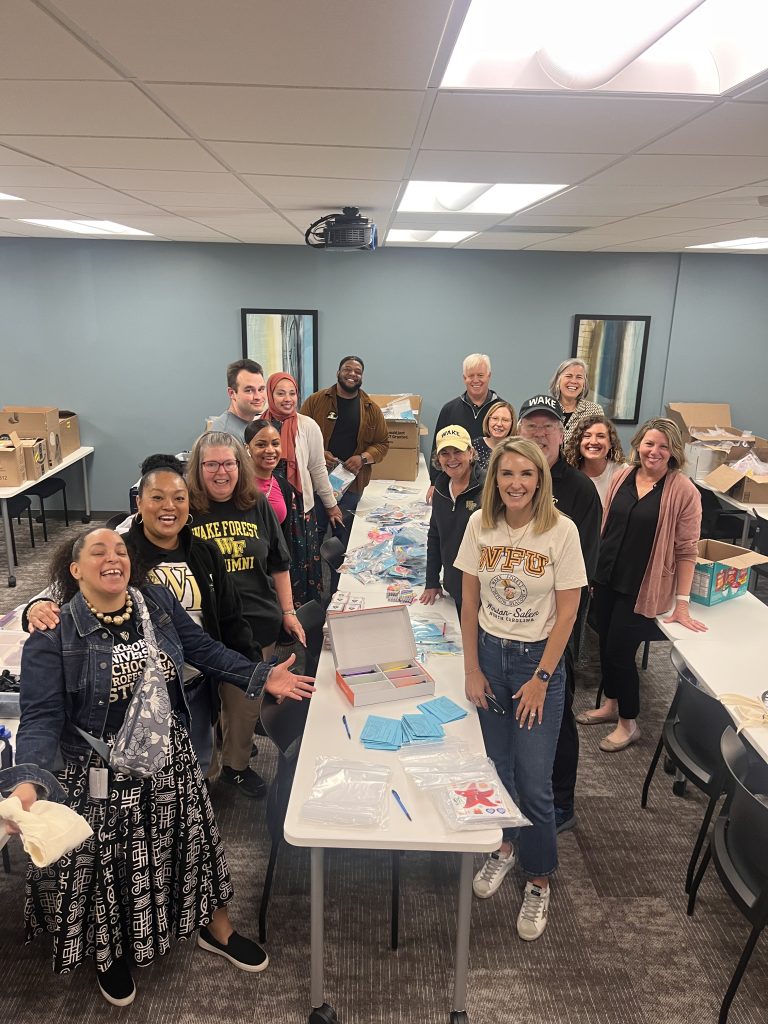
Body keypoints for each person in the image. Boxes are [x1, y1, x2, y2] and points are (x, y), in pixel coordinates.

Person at [0, 527, 314, 1005]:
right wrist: (28, 784)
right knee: (109, 868)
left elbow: (203, 650)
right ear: (75, 568)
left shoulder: (156, 602)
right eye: (98, 551)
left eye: (120, 550)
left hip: (170, 761)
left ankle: (217, 930)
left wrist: (260, 674)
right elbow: (41, 718)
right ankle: (109, 953)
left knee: (195, 848)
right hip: (101, 776)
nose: (113, 558)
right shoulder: (54, 635)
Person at [24, 465, 255, 777]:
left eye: (179, 498)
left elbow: (226, 619)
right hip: (130, 694)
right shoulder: (119, 549)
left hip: (194, 682)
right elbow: (61, 586)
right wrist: (35, 607)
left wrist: (253, 670)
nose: (169, 506)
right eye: (157, 497)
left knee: (192, 765)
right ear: (139, 503)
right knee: (130, 775)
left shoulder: (203, 552)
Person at [454, 438, 586, 940]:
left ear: (540, 479)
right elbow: (469, 604)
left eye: (526, 474)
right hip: (490, 656)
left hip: (537, 664)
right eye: (507, 473)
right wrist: (472, 667)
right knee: (497, 767)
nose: (516, 483)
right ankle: (505, 847)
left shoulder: (561, 531)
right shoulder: (479, 525)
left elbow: (567, 613)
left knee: (533, 780)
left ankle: (539, 876)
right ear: (495, 479)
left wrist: (542, 679)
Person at [186, 431, 305, 797]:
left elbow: (279, 563)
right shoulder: (185, 508)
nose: (221, 472)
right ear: (198, 468)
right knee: (200, 707)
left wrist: (288, 611)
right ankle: (203, 773)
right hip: (200, 628)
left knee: (244, 706)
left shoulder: (256, 504)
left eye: (229, 463)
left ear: (241, 465)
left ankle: (235, 767)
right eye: (211, 464)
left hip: (255, 622)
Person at [576, 417, 706, 751]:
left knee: (619, 654)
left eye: (663, 446)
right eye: (649, 443)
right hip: (606, 577)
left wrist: (682, 602)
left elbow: (687, 550)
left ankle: (628, 723)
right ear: (638, 445)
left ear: (674, 451)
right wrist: (592, 572)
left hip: (641, 586)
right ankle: (611, 704)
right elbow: (606, 526)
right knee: (605, 645)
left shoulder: (683, 490)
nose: (654, 451)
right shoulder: (623, 476)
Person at [517, 395, 602, 834]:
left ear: (561, 433)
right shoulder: (511, 479)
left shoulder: (580, 490)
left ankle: (562, 802)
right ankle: (521, 789)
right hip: (511, 622)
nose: (540, 434)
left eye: (548, 427)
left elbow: (580, 572)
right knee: (515, 708)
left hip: (555, 626)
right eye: (532, 426)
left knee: (556, 715)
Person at [299, 355, 389, 538]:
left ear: (361, 377)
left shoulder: (371, 409)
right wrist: (318, 454)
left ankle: (340, 558)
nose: (352, 374)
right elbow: (298, 434)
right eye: (347, 369)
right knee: (313, 533)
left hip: (351, 485)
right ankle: (314, 558)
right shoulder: (316, 401)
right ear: (338, 373)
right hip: (316, 481)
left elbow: (382, 444)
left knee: (345, 534)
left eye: (358, 372)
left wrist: (362, 458)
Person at [244, 417, 325, 606]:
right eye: (261, 444)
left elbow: (285, 537)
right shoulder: (238, 487)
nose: (270, 450)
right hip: (248, 572)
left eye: (275, 444)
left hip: (276, 569)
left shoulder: (283, 486)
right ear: (247, 448)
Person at [420, 425, 484, 613]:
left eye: (458, 451)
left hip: (483, 594)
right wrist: (432, 581)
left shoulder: (488, 489)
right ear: (438, 459)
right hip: (453, 587)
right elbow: (435, 535)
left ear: (470, 452)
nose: (451, 459)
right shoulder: (441, 487)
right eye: (445, 453)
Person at [428, 353, 503, 496]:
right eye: (471, 376)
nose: (475, 380)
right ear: (464, 378)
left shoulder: (502, 410)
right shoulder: (449, 410)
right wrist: (434, 483)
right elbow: (437, 449)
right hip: (454, 483)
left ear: (489, 376)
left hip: (492, 485)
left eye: (480, 375)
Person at [563, 414, 626, 506]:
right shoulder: (567, 473)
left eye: (601, 436)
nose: (593, 442)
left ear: (611, 442)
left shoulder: (622, 472)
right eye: (587, 436)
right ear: (578, 442)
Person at [549, 358, 603, 446]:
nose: (574, 381)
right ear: (558, 380)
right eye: (569, 376)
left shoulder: (595, 411)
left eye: (579, 377)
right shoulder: (547, 407)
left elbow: (599, 443)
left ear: (584, 383)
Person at [208, 358, 268, 439]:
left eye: (261, 389)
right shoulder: (224, 434)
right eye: (249, 390)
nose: (258, 397)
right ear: (232, 393)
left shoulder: (248, 427)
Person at [471, 400, 516, 472]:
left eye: (505, 420)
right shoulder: (474, 446)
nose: (499, 424)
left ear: (512, 424)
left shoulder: (517, 450)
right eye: (495, 418)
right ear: (488, 420)